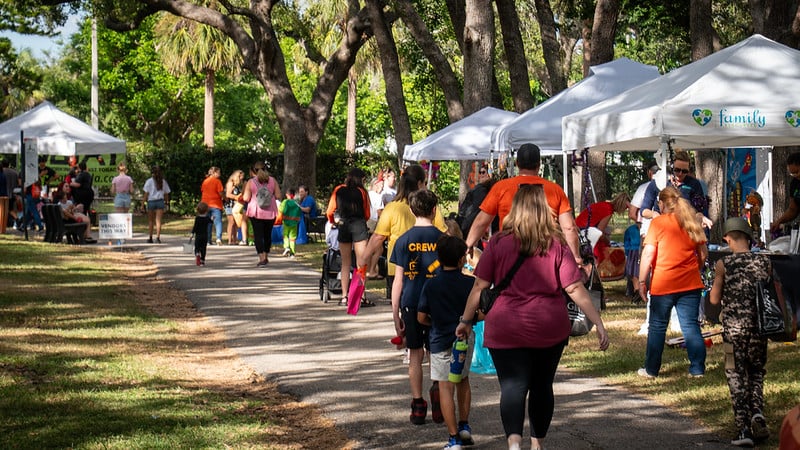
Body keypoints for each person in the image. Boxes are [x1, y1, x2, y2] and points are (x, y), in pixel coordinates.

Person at [455, 184, 608, 450]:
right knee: (541, 386)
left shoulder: (498, 243)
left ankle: (514, 444)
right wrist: (598, 322)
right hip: (548, 327)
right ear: (542, 209)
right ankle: (538, 445)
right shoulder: (556, 245)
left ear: (515, 208)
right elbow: (573, 288)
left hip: (505, 327)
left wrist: (465, 321)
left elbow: (479, 287)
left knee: (512, 387)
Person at [465, 143, 583, 268]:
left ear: (517, 163)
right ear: (539, 164)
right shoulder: (555, 190)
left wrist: (469, 244)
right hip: (546, 255)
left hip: (508, 254)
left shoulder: (501, 188)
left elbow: (482, 222)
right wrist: (575, 256)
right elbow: (569, 227)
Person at [709, 217, 771, 447]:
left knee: (734, 373)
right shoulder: (764, 262)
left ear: (727, 237)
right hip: (759, 328)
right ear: (748, 237)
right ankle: (758, 413)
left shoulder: (724, 264)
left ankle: (743, 427)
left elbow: (714, 299)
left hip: (733, 330)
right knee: (756, 371)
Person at [637, 186, 708, 378]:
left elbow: (649, 253)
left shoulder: (658, 223)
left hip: (663, 284)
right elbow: (703, 252)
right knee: (691, 326)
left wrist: (642, 281)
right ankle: (697, 368)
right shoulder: (690, 221)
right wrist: (697, 268)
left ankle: (651, 369)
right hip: (690, 284)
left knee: (658, 327)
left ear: (661, 203)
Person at [389, 189, 444, 425]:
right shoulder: (443, 239)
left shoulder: (403, 241)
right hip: (437, 304)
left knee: (414, 354)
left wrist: (395, 313)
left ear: (411, 210)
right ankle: (438, 394)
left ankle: (417, 403)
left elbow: (398, 280)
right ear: (434, 210)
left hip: (411, 302)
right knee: (436, 352)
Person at [417, 234, 475, 449]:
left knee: (445, 388)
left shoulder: (431, 285)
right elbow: (480, 312)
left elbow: (421, 317)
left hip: (440, 339)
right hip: (464, 338)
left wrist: (436, 321)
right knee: (463, 380)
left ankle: (453, 438)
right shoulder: (471, 283)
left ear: (439, 259)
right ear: (462, 259)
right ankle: (464, 425)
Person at [361, 164, 448, 300]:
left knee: (403, 308)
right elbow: (444, 234)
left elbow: (378, 237)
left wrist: (364, 258)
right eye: (424, 182)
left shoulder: (391, 208)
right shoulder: (430, 206)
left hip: (397, 268)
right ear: (419, 183)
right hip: (429, 267)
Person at [325, 168, 371, 306]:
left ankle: (345, 296)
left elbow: (330, 211)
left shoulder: (338, 190)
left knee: (345, 263)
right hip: (358, 225)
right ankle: (360, 296)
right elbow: (367, 213)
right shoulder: (362, 192)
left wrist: (333, 222)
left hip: (344, 225)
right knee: (361, 263)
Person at [242, 161, 281, 267]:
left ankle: (261, 258)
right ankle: (266, 255)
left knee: (258, 235)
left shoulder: (251, 182)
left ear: (254, 170)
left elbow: (245, 198)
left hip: (256, 212)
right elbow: (278, 195)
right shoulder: (273, 180)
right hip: (270, 212)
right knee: (267, 235)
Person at [456, 164, 497, 241]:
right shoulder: (480, 190)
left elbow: (477, 212)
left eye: (483, 172)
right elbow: (475, 212)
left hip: (474, 230)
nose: (481, 175)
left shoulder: (482, 190)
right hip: (472, 229)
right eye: (480, 172)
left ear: (490, 174)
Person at [770, 152, 800, 234]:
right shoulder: (795, 183)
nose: (796, 176)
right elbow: (793, 209)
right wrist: (779, 221)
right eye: (792, 173)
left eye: (797, 172)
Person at [142, 165, 171, 244]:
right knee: (158, 221)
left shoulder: (149, 181)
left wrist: (142, 204)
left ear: (152, 173)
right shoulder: (163, 181)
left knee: (151, 221)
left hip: (151, 201)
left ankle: (150, 237)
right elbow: (166, 193)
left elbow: (146, 194)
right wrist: (166, 202)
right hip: (160, 201)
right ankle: (158, 237)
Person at [366, 175, 385, 278]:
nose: (382, 187)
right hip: (373, 223)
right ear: (376, 185)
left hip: (366, 223)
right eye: (381, 185)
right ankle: (372, 269)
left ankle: (369, 269)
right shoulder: (378, 197)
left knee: (369, 247)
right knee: (379, 249)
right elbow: (379, 212)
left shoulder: (367, 195)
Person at [200, 166, 225, 246]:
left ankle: (208, 239)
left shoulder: (205, 181)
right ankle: (218, 238)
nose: (220, 174)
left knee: (208, 222)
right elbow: (220, 192)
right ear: (214, 173)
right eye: (218, 173)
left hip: (205, 204)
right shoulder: (217, 181)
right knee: (218, 222)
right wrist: (225, 198)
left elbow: (203, 191)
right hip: (216, 204)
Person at [225, 170, 248, 245]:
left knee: (236, 223)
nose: (242, 178)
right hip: (230, 204)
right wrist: (236, 197)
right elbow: (228, 194)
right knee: (231, 222)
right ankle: (229, 240)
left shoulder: (239, 185)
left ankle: (235, 239)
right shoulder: (230, 183)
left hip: (237, 205)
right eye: (241, 177)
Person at [279, 188, 302, 257]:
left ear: (287, 195)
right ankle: (292, 253)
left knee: (285, 235)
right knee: (292, 238)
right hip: (294, 223)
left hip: (286, 222)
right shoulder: (296, 203)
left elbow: (281, 210)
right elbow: (299, 211)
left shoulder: (285, 202)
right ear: (294, 195)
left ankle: (287, 247)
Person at [623, 222, 643, 304]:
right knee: (635, 274)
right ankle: (637, 292)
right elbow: (627, 243)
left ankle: (637, 292)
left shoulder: (630, 229)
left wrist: (627, 253)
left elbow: (626, 243)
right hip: (637, 252)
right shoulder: (630, 229)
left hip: (633, 252)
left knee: (634, 273)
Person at [192, 201, 211, 266]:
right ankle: (202, 260)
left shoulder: (197, 218)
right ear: (206, 210)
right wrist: (212, 219)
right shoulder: (207, 218)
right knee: (203, 248)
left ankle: (197, 253)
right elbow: (211, 222)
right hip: (205, 235)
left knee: (197, 246)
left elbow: (195, 226)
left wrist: (192, 233)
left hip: (198, 235)